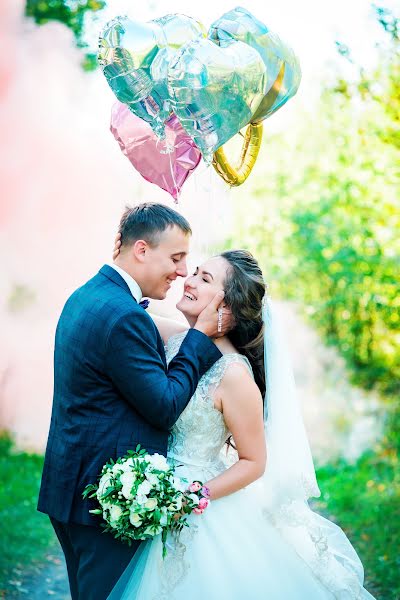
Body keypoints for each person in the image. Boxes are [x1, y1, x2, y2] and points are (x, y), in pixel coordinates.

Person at [108, 244, 375, 600]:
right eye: (195, 272)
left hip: (198, 506)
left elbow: (254, 462)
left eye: (204, 279)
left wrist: (194, 497)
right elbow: (127, 313)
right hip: (159, 496)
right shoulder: (178, 341)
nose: (189, 280)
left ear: (227, 308)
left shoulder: (234, 375)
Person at [37, 203, 232, 600]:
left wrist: (191, 334)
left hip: (69, 490)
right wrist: (198, 338)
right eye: (176, 259)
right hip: (102, 503)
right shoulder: (126, 317)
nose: (180, 272)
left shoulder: (89, 294)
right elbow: (164, 405)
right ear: (141, 250)